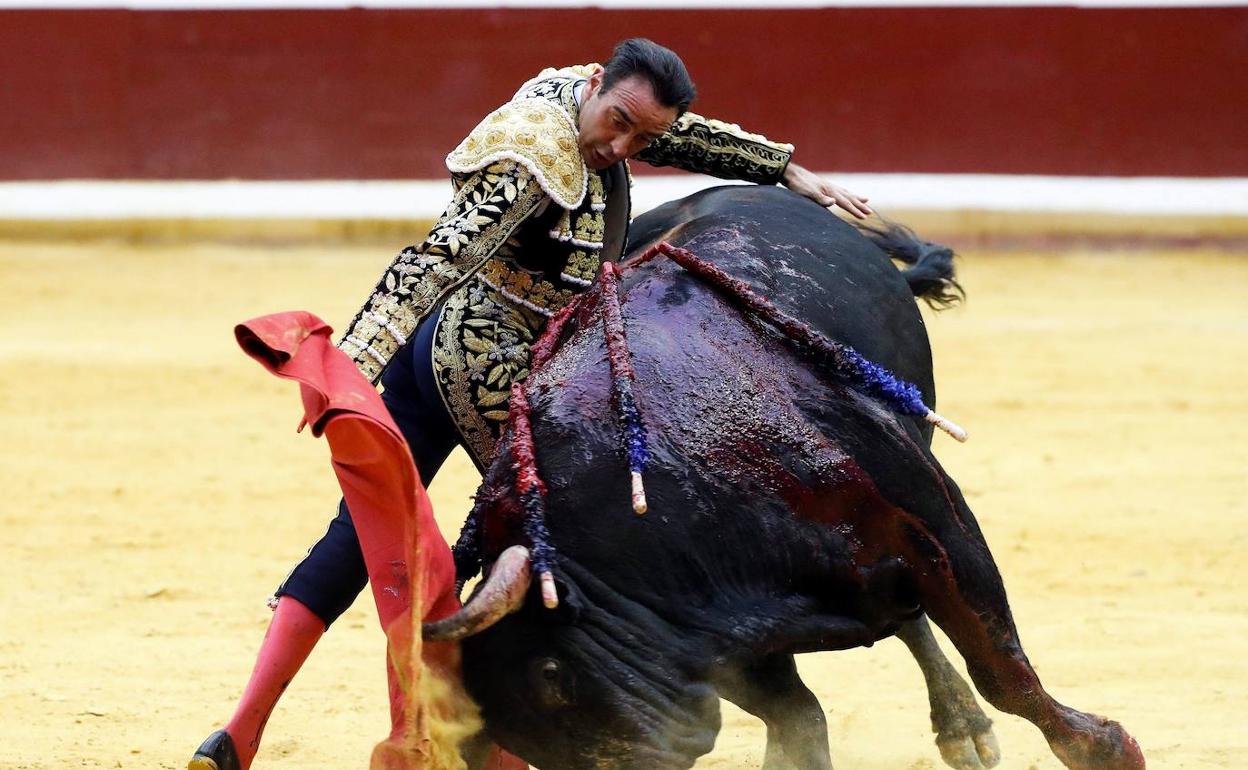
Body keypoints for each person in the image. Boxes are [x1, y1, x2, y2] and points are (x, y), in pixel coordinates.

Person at [189, 37, 871, 770]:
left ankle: (240, 732)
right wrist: (349, 365)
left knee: (361, 536)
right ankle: (498, 743)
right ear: (598, 87)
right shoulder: (530, 157)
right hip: (484, 354)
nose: (622, 146)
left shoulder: (589, 96)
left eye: (641, 138)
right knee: (555, 529)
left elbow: (682, 134)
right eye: (618, 124)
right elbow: (436, 258)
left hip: (452, 347)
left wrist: (783, 168)